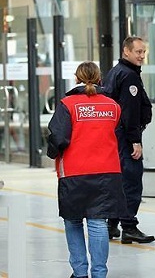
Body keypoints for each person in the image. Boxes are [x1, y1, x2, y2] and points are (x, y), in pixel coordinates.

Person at [47, 61, 125, 278]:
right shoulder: (113, 106)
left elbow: (58, 137)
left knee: (73, 221)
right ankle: (99, 274)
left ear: (76, 78)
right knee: (98, 222)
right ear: (100, 78)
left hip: (74, 171)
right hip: (107, 172)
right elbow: (117, 135)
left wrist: (52, 152)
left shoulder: (67, 104)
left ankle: (80, 273)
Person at [102, 36, 155, 244]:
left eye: (143, 52)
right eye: (138, 52)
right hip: (125, 136)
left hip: (114, 135)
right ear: (126, 51)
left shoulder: (116, 72)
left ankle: (112, 224)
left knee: (118, 180)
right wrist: (135, 140)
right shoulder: (129, 76)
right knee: (131, 181)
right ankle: (129, 226)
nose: (141, 56)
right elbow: (129, 112)